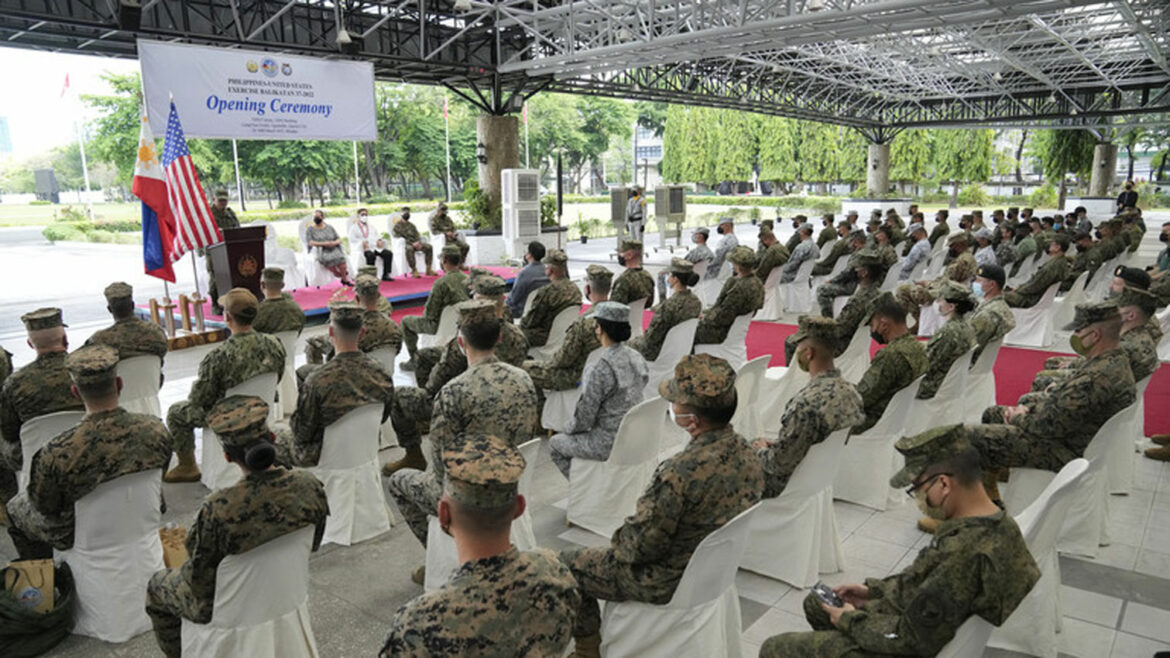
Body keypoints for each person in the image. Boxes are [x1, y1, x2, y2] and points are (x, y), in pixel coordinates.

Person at [760, 425, 1039, 657]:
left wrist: (849, 619)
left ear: (943, 484)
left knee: (775, 649)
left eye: (918, 488)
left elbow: (912, 639)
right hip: (920, 623)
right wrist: (873, 592)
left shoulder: (962, 553)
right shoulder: (997, 523)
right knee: (817, 603)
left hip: (906, 643)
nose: (919, 500)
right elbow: (926, 584)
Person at [560, 354, 763, 656]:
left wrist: (618, 539)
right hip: (709, 574)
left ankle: (588, 650)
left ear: (692, 421)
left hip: (663, 580)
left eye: (676, 401)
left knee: (567, 563)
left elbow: (640, 548)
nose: (672, 406)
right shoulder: (749, 454)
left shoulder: (679, 472)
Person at [146, 396, 328, 658]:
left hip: (227, 613)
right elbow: (313, 544)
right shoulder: (310, 486)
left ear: (228, 455)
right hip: (287, 597)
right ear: (273, 438)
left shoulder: (218, 509)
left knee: (157, 585)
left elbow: (200, 582)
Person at [379, 435, 580, 657]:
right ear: (519, 508)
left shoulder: (416, 624)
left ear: (444, 516)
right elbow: (587, 621)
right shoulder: (557, 574)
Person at [386, 300, 538, 580]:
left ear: (460, 342)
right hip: (513, 480)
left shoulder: (454, 391)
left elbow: (442, 470)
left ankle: (439, 559)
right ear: (500, 338)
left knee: (398, 482)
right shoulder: (524, 379)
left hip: (466, 495)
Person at [5, 345, 171, 559]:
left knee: (15, 509)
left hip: (80, 536)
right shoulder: (157, 430)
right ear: (119, 384)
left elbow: (45, 507)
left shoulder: (57, 452)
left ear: (75, 392)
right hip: (142, 519)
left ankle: (45, 578)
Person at [968, 301, 1135, 475]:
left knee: (970, 438)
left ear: (1095, 335)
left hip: (1064, 450)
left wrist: (1018, 417)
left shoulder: (1095, 378)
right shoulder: (1115, 360)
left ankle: (983, 495)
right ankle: (995, 476)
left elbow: (1048, 428)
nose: (1074, 335)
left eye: (1078, 331)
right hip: (1075, 435)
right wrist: (1032, 408)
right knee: (993, 413)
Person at [386, 276, 531, 475]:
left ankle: (414, 453)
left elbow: (435, 386)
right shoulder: (517, 336)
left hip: (467, 406)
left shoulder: (459, 348)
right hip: (506, 399)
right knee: (425, 356)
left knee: (398, 397)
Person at [164, 288, 286, 482]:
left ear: (227, 317)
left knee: (176, 412)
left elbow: (199, 399)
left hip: (227, 418)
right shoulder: (275, 344)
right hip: (261, 409)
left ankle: (187, 465)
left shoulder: (219, 357)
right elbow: (278, 377)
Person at [754, 317, 863, 496]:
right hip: (818, 478)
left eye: (798, 347)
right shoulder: (852, 392)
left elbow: (779, 465)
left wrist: (759, 450)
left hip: (787, 486)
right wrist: (777, 445)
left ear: (808, 353)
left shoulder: (805, 404)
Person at [275, 304, 394, 468]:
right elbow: (383, 416)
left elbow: (301, 433)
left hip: (325, 457)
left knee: (275, 437)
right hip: (367, 449)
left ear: (331, 332)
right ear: (362, 333)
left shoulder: (317, 381)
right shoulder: (383, 373)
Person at [549, 302, 648, 477]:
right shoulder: (637, 357)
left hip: (607, 443)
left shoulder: (600, 368)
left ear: (599, 329)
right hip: (636, 435)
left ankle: (587, 489)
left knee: (555, 444)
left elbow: (584, 420)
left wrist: (566, 428)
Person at [0, 308, 85, 505]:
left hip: (35, 460)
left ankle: (10, 501)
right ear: (65, 339)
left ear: (30, 344)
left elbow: (10, 433)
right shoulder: (86, 371)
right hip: (86, 450)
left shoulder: (15, 384)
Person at [1034, 287, 1160, 394]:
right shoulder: (1140, 335)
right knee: (1053, 362)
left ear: (1131, 316)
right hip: (1113, 384)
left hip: (1101, 390)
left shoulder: (1125, 346)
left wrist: (1063, 381)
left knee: (1042, 378)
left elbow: (1099, 371)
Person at [523, 265, 609, 393]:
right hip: (604, 373)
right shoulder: (619, 315)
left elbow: (562, 361)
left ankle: (542, 410)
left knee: (522, 368)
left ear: (587, 289)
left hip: (575, 378)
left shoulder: (584, 323)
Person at [854, 293, 928, 433]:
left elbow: (861, 399)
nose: (872, 330)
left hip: (872, 423)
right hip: (896, 420)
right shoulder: (918, 346)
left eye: (872, 324)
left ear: (884, 325)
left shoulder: (890, 356)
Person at [401, 244, 469, 371]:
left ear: (444, 260)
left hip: (437, 325)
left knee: (405, 321)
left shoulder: (441, 283)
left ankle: (414, 360)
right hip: (460, 323)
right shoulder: (467, 279)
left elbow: (430, 314)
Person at [630, 258, 702, 362]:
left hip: (660, 353)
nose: (667, 277)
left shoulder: (668, 306)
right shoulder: (696, 302)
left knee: (625, 345)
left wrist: (634, 341)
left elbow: (651, 339)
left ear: (675, 278)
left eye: (669, 274)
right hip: (681, 349)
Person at [895, 233, 977, 322]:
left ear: (960, 245)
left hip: (943, 294)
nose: (950, 249)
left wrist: (928, 284)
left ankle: (917, 319)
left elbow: (948, 284)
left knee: (902, 290)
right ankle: (918, 320)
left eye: (952, 246)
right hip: (943, 290)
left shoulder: (963, 262)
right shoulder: (965, 258)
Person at [917, 281, 976, 400]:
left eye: (941, 300)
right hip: (951, 384)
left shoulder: (948, 332)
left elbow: (926, 364)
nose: (938, 303)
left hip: (932, 387)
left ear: (951, 306)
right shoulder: (967, 326)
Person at [694, 246, 764, 345]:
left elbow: (723, 317)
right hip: (735, 329)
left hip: (721, 332)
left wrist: (704, 318)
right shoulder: (757, 282)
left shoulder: (739, 288)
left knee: (686, 333)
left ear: (737, 265)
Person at [84, 281, 169, 361]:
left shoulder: (99, 340)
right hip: (151, 376)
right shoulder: (156, 332)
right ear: (133, 305)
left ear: (109, 309)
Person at [520, 249, 582, 348]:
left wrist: (520, 322)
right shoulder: (576, 289)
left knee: (513, 333)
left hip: (546, 336)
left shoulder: (547, 291)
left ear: (550, 270)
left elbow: (530, 321)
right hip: (566, 335)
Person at [1004, 234, 1071, 308]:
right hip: (1040, 298)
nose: (1049, 245)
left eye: (1052, 244)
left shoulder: (1050, 267)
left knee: (997, 297)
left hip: (1032, 299)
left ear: (1058, 247)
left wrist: (1017, 290)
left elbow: (1034, 286)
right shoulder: (1062, 262)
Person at [967, 264, 1015, 362]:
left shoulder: (987, 315)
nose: (975, 283)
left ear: (992, 284)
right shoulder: (1001, 306)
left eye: (979, 281)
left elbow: (968, 345)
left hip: (968, 366)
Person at [206, 190, 241, 314]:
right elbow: (205, 231)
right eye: (220, 200)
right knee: (216, 277)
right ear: (213, 199)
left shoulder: (230, 214)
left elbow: (237, 229)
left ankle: (232, 302)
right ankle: (216, 303)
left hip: (231, 248)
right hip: (214, 250)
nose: (223, 203)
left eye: (224, 200)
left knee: (232, 275)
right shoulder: (207, 214)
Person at [657, 228, 713, 303]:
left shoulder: (698, 251)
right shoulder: (709, 251)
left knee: (660, 274)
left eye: (695, 234)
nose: (693, 236)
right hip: (696, 276)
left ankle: (662, 302)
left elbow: (683, 263)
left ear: (700, 236)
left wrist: (668, 269)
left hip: (684, 275)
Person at [252, 267, 307, 335]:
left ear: (262, 285)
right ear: (283, 285)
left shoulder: (259, 312)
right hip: (290, 345)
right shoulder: (297, 309)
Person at [305, 210, 353, 285]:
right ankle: (338, 274)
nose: (316, 218)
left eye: (318, 216)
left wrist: (334, 243)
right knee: (328, 259)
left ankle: (345, 280)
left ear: (322, 217)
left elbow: (338, 238)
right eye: (315, 216)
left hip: (333, 247)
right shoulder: (310, 229)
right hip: (321, 249)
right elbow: (310, 242)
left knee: (341, 258)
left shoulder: (329, 227)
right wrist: (324, 244)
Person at [506, 241, 551, 319]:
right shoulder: (548, 271)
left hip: (524, 312)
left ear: (529, 255)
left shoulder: (524, 273)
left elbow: (514, 299)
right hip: (544, 311)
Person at [349, 208, 394, 281]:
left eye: (366, 215)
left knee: (388, 254)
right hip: (364, 248)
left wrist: (379, 240)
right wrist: (361, 243)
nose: (364, 216)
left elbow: (377, 235)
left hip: (374, 247)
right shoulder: (353, 228)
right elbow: (352, 240)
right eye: (362, 215)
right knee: (370, 256)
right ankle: (371, 276)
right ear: (358, 216)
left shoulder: (371, 226)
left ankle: (386, 274)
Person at [393, 207, 436, 277]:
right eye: (405, 212)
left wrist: (418, 242)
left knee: (429, 247)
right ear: (401, 214)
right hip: (407, 244)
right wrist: (412, 244)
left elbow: (417, 235)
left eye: (408, 212)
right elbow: (398, 238)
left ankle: (428, 269)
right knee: (409, 249)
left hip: (416, 243)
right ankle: (414, 269)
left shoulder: (412, 225)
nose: (407, 214)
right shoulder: (397, 226)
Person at [611, 239, 655, 305]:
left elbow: (614, 307)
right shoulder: (648, 277)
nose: (619, 255)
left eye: (621, 252)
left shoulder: (623, 280)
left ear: (629, 255)